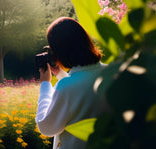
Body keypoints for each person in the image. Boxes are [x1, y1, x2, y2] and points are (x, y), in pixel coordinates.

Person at [36, 17, 110, 149]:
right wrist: (59, 74)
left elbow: (46, 127)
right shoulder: (112, 72)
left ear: (60, 51)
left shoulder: (66, 87)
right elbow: (82, 86)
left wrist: (45, 84)